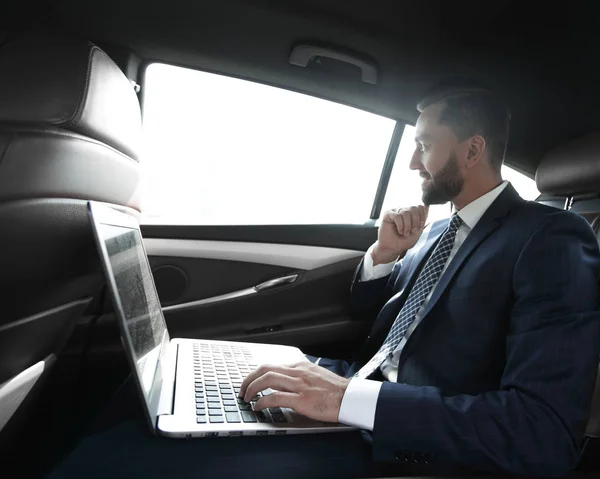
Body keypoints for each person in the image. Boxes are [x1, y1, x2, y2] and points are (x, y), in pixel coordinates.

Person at [49, 83, 600, 479]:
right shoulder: (439, 231)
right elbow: (375, 309)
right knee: (154, 385)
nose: (413, 162)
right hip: (351, 389)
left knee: (130, 460)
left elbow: (543, 433)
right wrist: (383, 255)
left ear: (473, 150)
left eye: (425, 144)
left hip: (407, 443)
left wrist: (351, 402)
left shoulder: (549, 238)